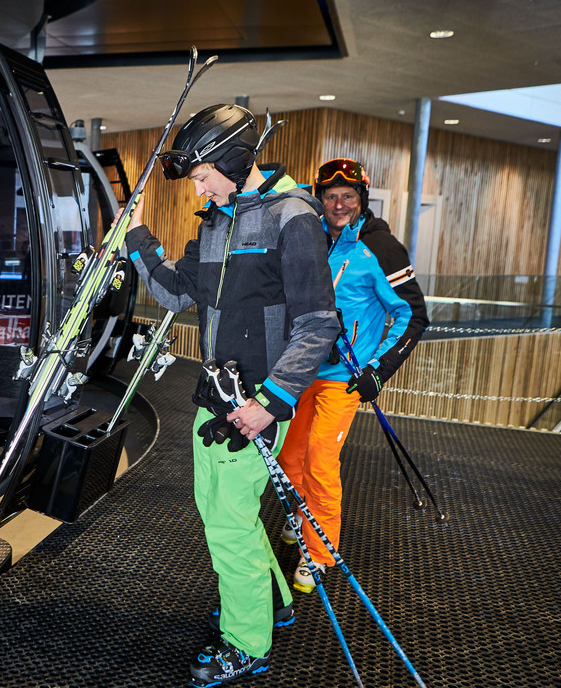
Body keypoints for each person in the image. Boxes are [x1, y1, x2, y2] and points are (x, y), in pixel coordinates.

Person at [121, 104, 339, 686]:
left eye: (201, 175)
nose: (198, 186)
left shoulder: (291, 217)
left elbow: (318, 323)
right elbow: (173, 293)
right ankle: (268, 600)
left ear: (235, 161)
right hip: (216, 393)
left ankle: (246, 642)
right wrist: (137, 236)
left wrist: (269, 402)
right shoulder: (215, 220)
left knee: (229, 521)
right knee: (221, 509)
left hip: (258, 402)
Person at [277, 158, 430, 593]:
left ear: (361, 200)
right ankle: (305, 517)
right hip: (301, 368)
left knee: (321, 461)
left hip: (345, 375)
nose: (339, 204)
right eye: (330, 196)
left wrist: (379, 369)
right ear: (320, 199)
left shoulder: (381, 248)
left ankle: (319, 553)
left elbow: (413, 317)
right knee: (290, 458)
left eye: (348, 196)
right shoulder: (312, 238)